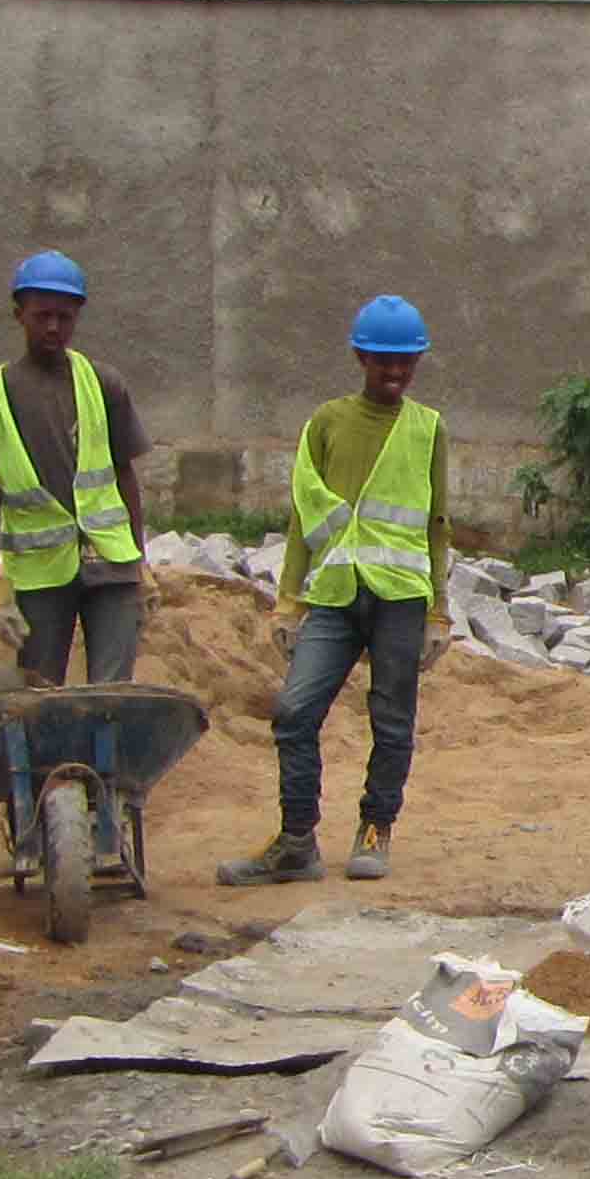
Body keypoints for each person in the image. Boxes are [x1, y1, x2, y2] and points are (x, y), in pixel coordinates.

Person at [220, 295, 451, 887]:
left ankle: (376, 828)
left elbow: (435, 525)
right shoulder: (326, 423)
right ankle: (297, 840)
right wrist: (289, 599)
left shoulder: (428, 430)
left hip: (400, 595)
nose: (395, 373)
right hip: (334, 596)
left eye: (406, 362)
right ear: (359, 357)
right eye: (383, 362)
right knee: (295, 712)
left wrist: (439, 613)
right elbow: (304, 517)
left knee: (392, 719)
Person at [0, 249, 151, 685]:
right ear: (19, 315)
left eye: (64, 317)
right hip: (40, 573)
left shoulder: (103, 384)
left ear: (78, 316)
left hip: (110, 563)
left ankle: (101, 758)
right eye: (42, 315)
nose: (53, 327)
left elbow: (125, 475)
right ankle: (51, 758)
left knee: (112, 694)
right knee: (40, 692)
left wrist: (142, 565)